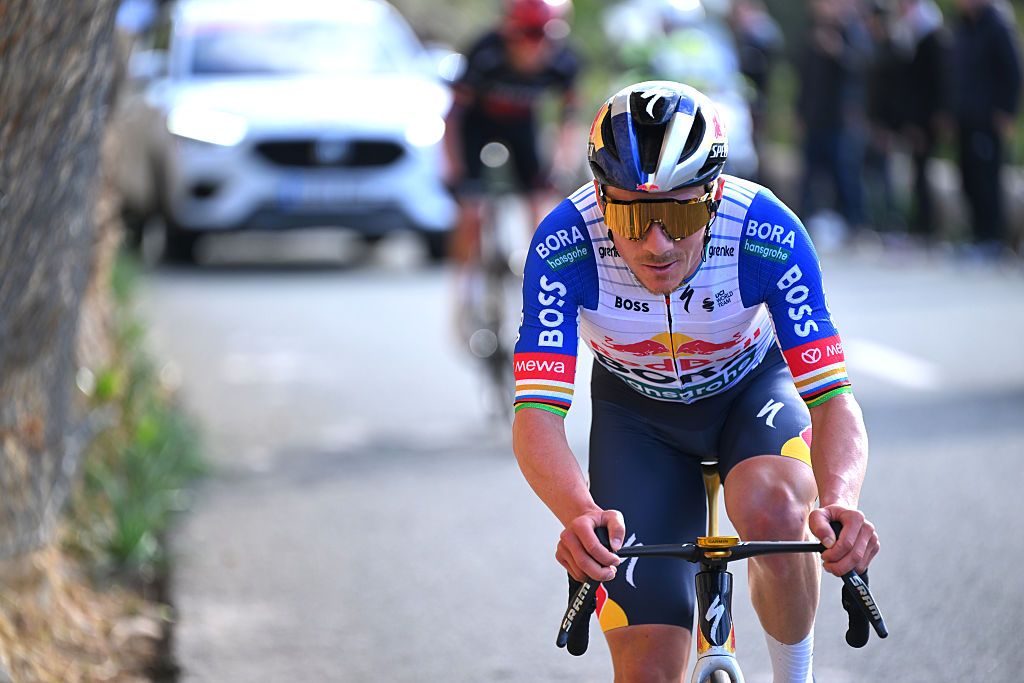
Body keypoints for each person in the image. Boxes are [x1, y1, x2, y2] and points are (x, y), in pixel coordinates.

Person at [512, 81, 880, 682]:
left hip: (750, 395)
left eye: (680, 214)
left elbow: (833, 398)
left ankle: (796, 676)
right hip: (637, 417)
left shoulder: (764, 230)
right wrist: (576, 513)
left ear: (714, 196)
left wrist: (840, 502)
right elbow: (536, 414)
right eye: (631, 215)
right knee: (648, 672)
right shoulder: (564, 245)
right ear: (601, 200)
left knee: (775, 508)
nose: (656, 243)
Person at [442, 0, 581, 267]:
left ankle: (543, 271)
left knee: (541, 204)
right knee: (471, 211)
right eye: (527, 35)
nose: (536, 46)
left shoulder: (564, 62)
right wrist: (454, 169)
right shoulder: (485, 54)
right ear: (509, 34)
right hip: (477, 124)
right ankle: (462, 282)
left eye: (545, 36)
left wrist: (562, 166)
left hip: (521, 124)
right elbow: (454, 116)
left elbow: (569, 120)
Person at [950, 0, 1022, 255]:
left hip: (988, 119)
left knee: (986, 180)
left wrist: (1006, 111)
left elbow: (1013, 70)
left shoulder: (997, 24)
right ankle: (978, 235)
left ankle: (991, 238)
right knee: (968, 177)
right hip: (965, 118)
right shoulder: (963, 26)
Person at [796, 0, 873, 237]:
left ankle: (856, 223)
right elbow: (805, 79)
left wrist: (837, 51)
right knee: (810, 175)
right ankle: (805, 224)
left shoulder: (852, 31)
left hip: (840, 121)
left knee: (846, 174)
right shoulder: (813, 31)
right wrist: (799, 112)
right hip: (815, 119)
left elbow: (863, 66)